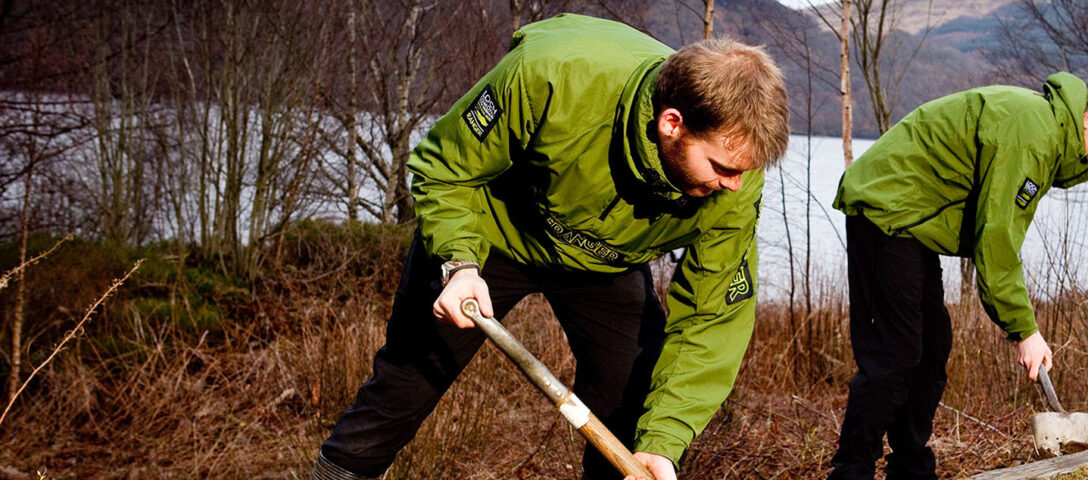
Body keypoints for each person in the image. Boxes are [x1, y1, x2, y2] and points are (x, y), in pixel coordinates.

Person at [310, 13, 789, 480]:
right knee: (406, 382)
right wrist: (459, 262)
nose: (734, 185)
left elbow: (714, 318)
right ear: (672, 123)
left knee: (632, 407)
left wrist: (663, 444)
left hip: (607, 264)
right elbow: (446, 171)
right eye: (723, 168)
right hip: (493, 234)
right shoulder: (552, 73)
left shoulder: (736, 180)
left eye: (745, 171)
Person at [827, 73, 1088, 479]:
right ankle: (850, 471)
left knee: (931, 350)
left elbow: (995, 233)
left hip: (913, 223)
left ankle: (910, 469)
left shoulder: (1046, 133)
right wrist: (1025, 331)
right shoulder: (1033, 132)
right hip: (886, 210)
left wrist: (1022, 326)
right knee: (895, 355)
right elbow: (996, 240)